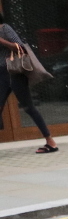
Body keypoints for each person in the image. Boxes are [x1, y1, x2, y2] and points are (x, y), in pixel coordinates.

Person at [0, 13, 57, 154]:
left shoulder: (4, 29)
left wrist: (1, 41)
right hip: (1, 74)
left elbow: (21, 48)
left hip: (14, 73)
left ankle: (50, 141)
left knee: (28, 107)